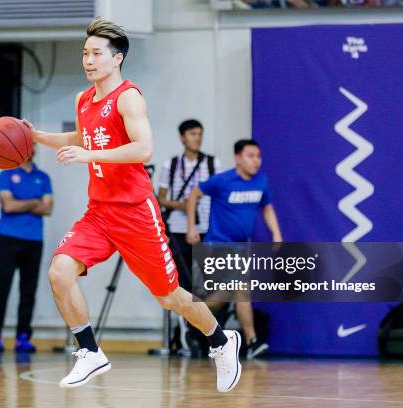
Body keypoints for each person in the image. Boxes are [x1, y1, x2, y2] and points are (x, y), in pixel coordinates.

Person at [22, 17, 241, 393]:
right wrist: (37, 136)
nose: (88, 60)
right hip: (99, 212)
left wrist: (88, 153)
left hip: (136, 213)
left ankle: (222, 341)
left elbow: (144, 148)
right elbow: (82, 134)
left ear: (117, 58)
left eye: (96, 53)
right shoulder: (82, 99)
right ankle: (89, 351)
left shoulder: (128, 97)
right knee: (60, 271)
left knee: (170, 298)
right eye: (84, 53)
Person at [186, 139, 282, 360]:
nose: (256, 161)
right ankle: (251, 341)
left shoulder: (261, 182)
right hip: (216, 246)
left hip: (241, 248)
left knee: (227, 296)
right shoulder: (222, 181)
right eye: (250, 156)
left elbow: (267, 208)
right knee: (241, 289)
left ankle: (190, 318)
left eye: (258, 156)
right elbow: (194, 195)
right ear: (238, 158)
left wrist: (276, 233)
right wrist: (192, 227)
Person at [157, 119, 221, 356]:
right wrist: (181, 206)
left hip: (205, 229)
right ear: (182, 137)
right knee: (182, 285)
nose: (197, 138)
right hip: (177, 230)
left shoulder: (213, 164)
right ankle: (186, 336)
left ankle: (208, 337)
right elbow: (161, 197)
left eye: (200, 134)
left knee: (207, 284)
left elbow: (218, 193)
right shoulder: (171, 165)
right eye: (193, 134)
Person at [0, 145, 53, 353]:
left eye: (32, 145)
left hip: (34, 240)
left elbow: (48, 208)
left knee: (28, 290)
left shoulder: (43, 177)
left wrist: (21, 203)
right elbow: (8, 206)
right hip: (8, 237)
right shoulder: (6, 174)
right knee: (1, 288)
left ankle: (23, 336)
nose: (30, 149)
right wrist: (35, 202)